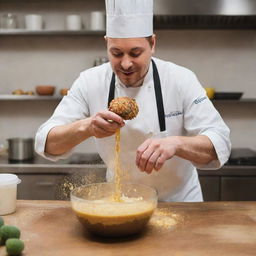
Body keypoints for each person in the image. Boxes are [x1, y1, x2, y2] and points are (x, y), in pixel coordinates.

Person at [35, 0, 231, 202]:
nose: (126, 63)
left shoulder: (180, 79)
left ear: (152, 44)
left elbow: (219, 141)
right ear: (106, 44)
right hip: (120, 201)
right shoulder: (89, 81)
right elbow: (47, 142)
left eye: (136, 53)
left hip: (180, 203)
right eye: (116, 53)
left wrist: (177, 143)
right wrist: (87, 126)